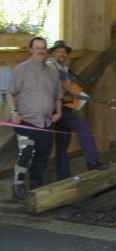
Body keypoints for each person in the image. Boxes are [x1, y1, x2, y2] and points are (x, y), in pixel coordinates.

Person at [7, 37, 63, 200]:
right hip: (26, 122)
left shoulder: (53, 71)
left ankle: (36, 187)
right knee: (26, 153)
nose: (41, 51)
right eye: (37, 48)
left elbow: (58, 96)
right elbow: (10, 93)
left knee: (42, 155)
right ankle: (18, 185)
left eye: (43, 48)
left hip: (46, 122)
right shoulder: (21, 69)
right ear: (30, 50)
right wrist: (13, 112)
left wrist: (58, 112)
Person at [48, 40, 109, 181]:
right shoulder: (52, 66)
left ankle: (63, 177)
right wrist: (83, 97)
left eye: (65, 52)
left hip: (60, 108)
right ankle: (93, 162)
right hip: (60, 109)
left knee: (62, 144)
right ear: (52, 53)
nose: (62, 54)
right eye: (59, 51)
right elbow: (66, 86)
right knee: (84, 128)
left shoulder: (63, 68)